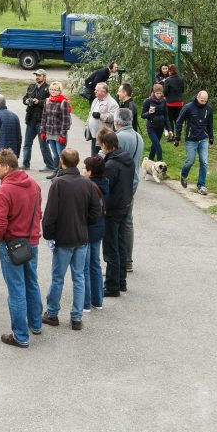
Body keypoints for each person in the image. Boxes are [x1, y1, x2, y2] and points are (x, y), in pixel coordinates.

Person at [41, 148, 103, 330]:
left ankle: (52, 313)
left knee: (58, 277)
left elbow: (50, 215)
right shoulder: (88, 184)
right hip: (81, 237)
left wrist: (49, 234)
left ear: (62, 162)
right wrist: (84, 223)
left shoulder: (58, 184)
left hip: (63, 238)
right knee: (79, 277)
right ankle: (76, 317)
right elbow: (96, 212)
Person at [0, 149, 42, 348]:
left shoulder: (4, 190)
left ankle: (20, 335)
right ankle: (36, 324)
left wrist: (0, 239)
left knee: (16, 289)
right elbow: (39, 213)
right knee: (32, 282)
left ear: (6, 166)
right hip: (32, 241)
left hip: (12, 245)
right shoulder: (34, 184)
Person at [99, 131, 135, 297]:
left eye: (101, 144)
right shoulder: (127, 159)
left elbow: (105, 188)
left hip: (112, 209)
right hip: (125, 205)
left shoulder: (111, 165)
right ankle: (121, 281)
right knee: (120, 245)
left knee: (110, 248)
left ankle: (112, 286)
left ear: (106, 145)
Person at [114, 108, 144, 274]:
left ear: (117, 121)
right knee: (128, 221)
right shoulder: (138, 136)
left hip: (122, 184)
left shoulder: (119, 137)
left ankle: (122, 261)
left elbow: (111, 158)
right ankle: (128, 260)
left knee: (119, 222)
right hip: (133, 181)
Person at [174, 90, 214, 196]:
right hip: (191, 139)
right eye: (202, 100)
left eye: (205, 101)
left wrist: (211, 138)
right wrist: (177, 137)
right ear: (197, 97)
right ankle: (183, 175)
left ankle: (201, 185)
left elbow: (210, 124)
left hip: (203, 139)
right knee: (190, 161)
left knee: (204, 162)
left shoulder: (208, 109)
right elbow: (179, 122)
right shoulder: (188, 107)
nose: (203, 102)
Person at [83, 156, 108, 310]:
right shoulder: (105, 182)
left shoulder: (88, 187)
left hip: (87, 228)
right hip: (99, 226)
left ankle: (85, 303)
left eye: (85, 168)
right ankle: (98, 300)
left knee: (84, 266)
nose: (83, 170)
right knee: (95, 264)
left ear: (91, 172)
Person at [21, 69, 55, 172]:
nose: (37, 77)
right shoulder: (31, 87)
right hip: (31, 119)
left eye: (39, 75)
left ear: (44, 77)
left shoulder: (49, 88)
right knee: (27, 143)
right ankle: (25, 164)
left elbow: (51, 102)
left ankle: (50, 165)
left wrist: (38, 102)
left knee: (43, 144)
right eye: (36, 75)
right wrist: (27, 101)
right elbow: (25, 98)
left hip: (42, 121)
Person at [41, 82, 72, 180]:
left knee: (61, 154)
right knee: (54, 154)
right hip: (50, 132)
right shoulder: (47, 100)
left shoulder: (64, 102)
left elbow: (66, 120)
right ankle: (55, 171)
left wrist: (63, 134)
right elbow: (44, 116)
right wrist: (42, 131)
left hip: (59, 133)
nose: (53, 91)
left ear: (60, 91)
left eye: (56, 90)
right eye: (52, 89)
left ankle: (62, 173)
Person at [85, 82, 119, 156]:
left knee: (100, 158)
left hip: (103, 138)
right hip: (94, 135)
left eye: (97, 90)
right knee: (93, 157)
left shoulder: (112, 103)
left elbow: (113, 117)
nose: (95, 91)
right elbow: (90, 113)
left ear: (103, 92)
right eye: (95, 90)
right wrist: (87, 124)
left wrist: (100, 116)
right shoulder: (95, 100)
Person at [141, 83, 169, 162]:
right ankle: (161, 166)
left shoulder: (164, 101)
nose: (159, 95)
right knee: (158, 148)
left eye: (160, 93)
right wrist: (149, 113)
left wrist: (169, 129)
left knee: (154, 146)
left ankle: (149, 162)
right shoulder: (148, 101)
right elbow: (142, 115)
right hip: (151, 127)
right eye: (157, 93)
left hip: (160, 127)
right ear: (153, 92)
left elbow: (166, 116)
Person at [163, 63, 185, 141]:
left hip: (170, 103)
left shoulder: (168, 80)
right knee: (178, 119)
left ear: (170, 71)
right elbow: (182, 90)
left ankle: (171, 136)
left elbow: (165, 92)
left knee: (169, 120)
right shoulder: (181, 79)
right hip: (179, 102)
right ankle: (178, 135)